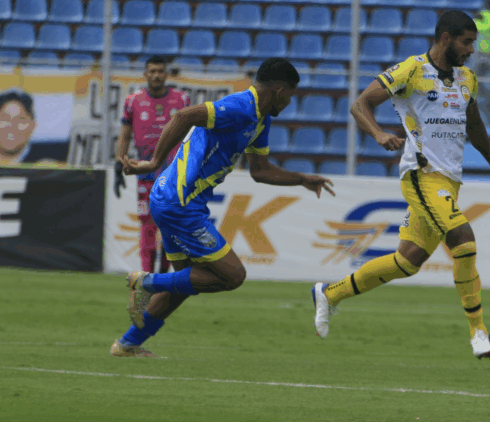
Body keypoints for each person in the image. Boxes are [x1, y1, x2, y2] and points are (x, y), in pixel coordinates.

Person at [311, 10, 490, 360]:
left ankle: (330, 293)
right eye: (466, 42)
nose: (471, 50)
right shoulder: (411, 70)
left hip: (450, 180)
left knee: (408, 261)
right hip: (420, 175)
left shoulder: (467, 79)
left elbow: (474, 123)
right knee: (463, 242)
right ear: (446, 39)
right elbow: (360, 104)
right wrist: (378, 134)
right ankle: (479, 332)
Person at [111, 58, 336, 358]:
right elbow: (183, 116)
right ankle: (146, 282)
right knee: (232, 275)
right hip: (180, 202)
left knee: (186, 283)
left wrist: (301, 179)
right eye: (291, 95)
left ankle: (127, 343)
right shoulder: (242, 107)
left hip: (173, 200)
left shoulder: (261, 119)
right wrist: (153, 162)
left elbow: (260, 171)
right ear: (280, 90)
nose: (290, 101)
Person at [115, 56, 190, 275]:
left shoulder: (182, 100)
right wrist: (120, 163)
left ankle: (164, 277)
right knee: (147, 227)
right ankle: (147, 279)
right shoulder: (133, 101)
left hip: (173, 175)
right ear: (145, 74)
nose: (156, 75)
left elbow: (190, 135)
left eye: (160, 71)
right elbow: (125, 135)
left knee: (169, 229)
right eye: (152, 71)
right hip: (145, 173)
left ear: (166, 74)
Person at [0, 88, 66, 166]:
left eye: (20, 120)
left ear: (33, 126)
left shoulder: (47, 167)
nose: (11, 126)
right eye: (5, 119)